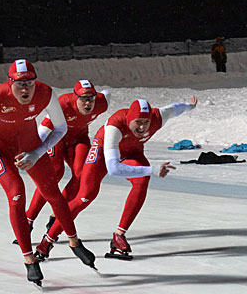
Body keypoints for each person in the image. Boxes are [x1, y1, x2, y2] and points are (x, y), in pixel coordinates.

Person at [0, 59, 96, 287]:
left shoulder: (45, 93)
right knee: (16, 193)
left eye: (30, 83)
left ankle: (74, 241)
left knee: (53, 192)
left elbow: (60, 128)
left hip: (29, 144)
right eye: (20, 84)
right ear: (10, 83)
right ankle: (29, 259)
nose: (25, 89)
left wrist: (37, 153)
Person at [35, 96, 198, 261]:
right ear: (129, 119)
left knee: (142, 180)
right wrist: (152, 169)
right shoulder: (116, 125)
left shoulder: (158, 117)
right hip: (103, 152)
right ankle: (47, 241)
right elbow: (113, 169)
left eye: (146, 122)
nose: (142, 127)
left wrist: (190, 106)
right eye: (138, 122)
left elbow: (175, 108)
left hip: (132, 152)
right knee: (85, 196)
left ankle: (119, 236)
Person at [23, 79, 111, 236]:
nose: (87, 103)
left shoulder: (101, 103)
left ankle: (57, 215)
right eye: (83, 99)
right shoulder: (62, 105)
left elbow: (107, 94)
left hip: (79, 138)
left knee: (81, 176)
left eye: (91, 99)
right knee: (55, 173)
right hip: (57, 138)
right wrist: (32, 152)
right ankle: (29, 219)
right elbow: (43, 129)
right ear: (75, 97)